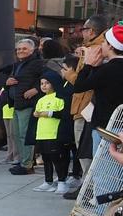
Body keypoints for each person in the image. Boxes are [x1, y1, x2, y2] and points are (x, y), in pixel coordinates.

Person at [71, 22, 123, 216]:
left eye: (103, 42)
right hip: (120, 127)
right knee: (118, 173)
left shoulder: (108, 69)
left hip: (105, 128)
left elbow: (80, 86)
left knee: (103, 172)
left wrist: (89, 64)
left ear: (110, 45)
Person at [63, 14, 111, 200]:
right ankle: (88, 186)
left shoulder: (95, 49)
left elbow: (87, 82)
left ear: (91, 31)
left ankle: (89, 188)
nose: (81, 32)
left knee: (86, 150)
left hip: (87, 107)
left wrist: (69, 75)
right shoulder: (92, 47)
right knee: (85, 149)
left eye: (83, 29)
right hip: (84, 106)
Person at [28, 70, 75, 194]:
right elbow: (36, 112)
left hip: (55, 134)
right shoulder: (41, 99)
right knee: (46, 158)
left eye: (47, 83)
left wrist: (48, 113)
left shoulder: (60, 97)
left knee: (58, 159)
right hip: (42, 134)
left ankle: (61, 181)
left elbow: (63, 114)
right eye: (42, 83)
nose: (43, 86)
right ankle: (48, 181)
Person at [5, 38, 44, 175]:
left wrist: (36, 89)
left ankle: (27, 164)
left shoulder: (38, 63)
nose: (20, 51)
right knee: (16, 135)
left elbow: (51, 77)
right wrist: (8, 82)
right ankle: (23, 162)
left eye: (24, 48)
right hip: (16, 104)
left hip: (27, 105)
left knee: (24, 135)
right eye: (19, 49)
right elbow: (12, 79)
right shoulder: (18, 64)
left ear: (32, 50)